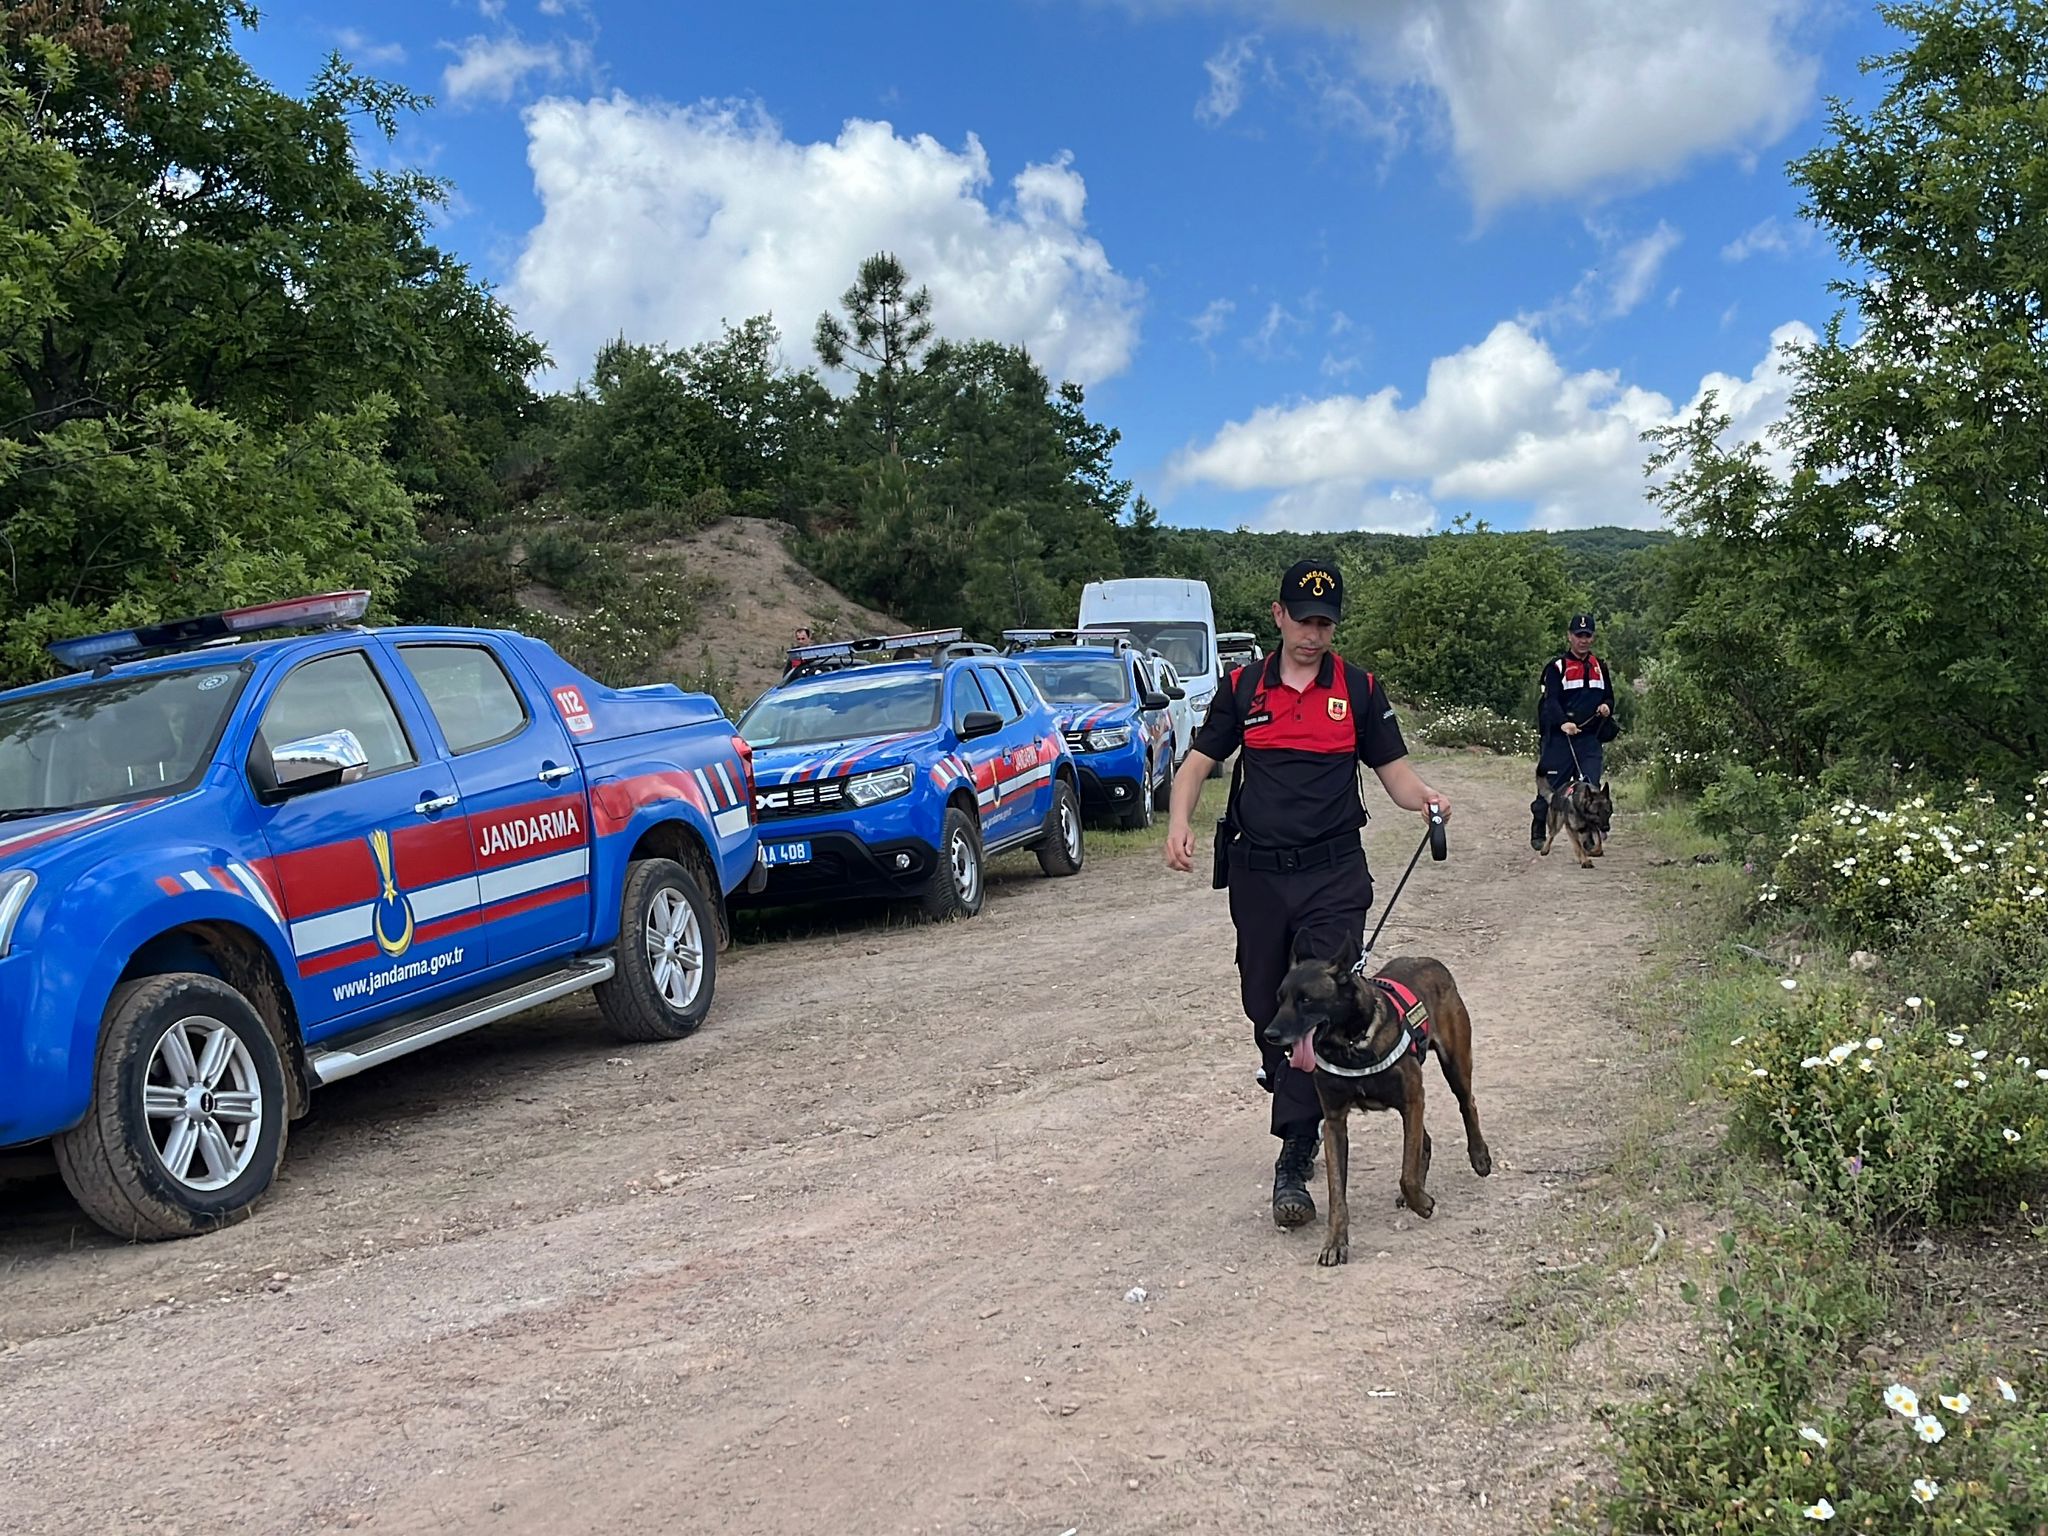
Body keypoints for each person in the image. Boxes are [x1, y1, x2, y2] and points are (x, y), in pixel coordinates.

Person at [1164, 559, 1452, 1230]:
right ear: (1278, 615)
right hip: (1259, 878)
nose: (1312, 635)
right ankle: (1296, 1087)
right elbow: (1198, 764)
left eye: (1324, 623)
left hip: (1333, 876)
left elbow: (1396, 775)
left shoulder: (1358, 689)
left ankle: (1295, 1152)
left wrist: (1426, 800)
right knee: (1267, 1003)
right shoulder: (1242, 688)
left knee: (1318, 998)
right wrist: (1179, 821)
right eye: (1302, 619)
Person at [1530, 613, 1615, 851]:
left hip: (1589, 738)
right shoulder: (1556, 668)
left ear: (1593, 637)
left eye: (1587, 635)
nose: (1583, 640)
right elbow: (1551, 701)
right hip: (1560, 738)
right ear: (1570, 636)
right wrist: (1561, 723)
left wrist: (1607, 706)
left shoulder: (1601, 666)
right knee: (1553, 787)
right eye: (1579, 635)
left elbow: (1609, 696)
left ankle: (1589, 838)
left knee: (1591, 789)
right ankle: (1538, 825)